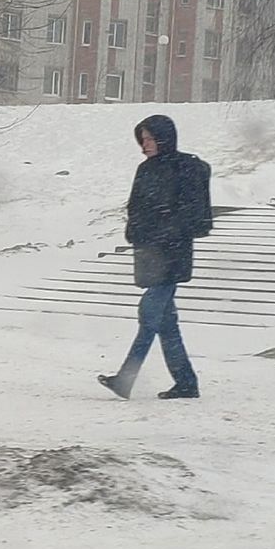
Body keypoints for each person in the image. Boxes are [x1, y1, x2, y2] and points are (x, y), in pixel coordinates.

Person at [99, 114, 210, 400]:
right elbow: (135, 208)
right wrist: (137, 231)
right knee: (166, 324)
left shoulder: (187, 168)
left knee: (149, 314)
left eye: (148, 139)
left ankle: (126, 378)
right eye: (142, 139)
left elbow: (194, 216)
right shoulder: (145, 170)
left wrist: (165, 226)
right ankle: (186, 382)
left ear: (163, 138)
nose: (144, 145)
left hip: (172, 257)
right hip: (149, 254)